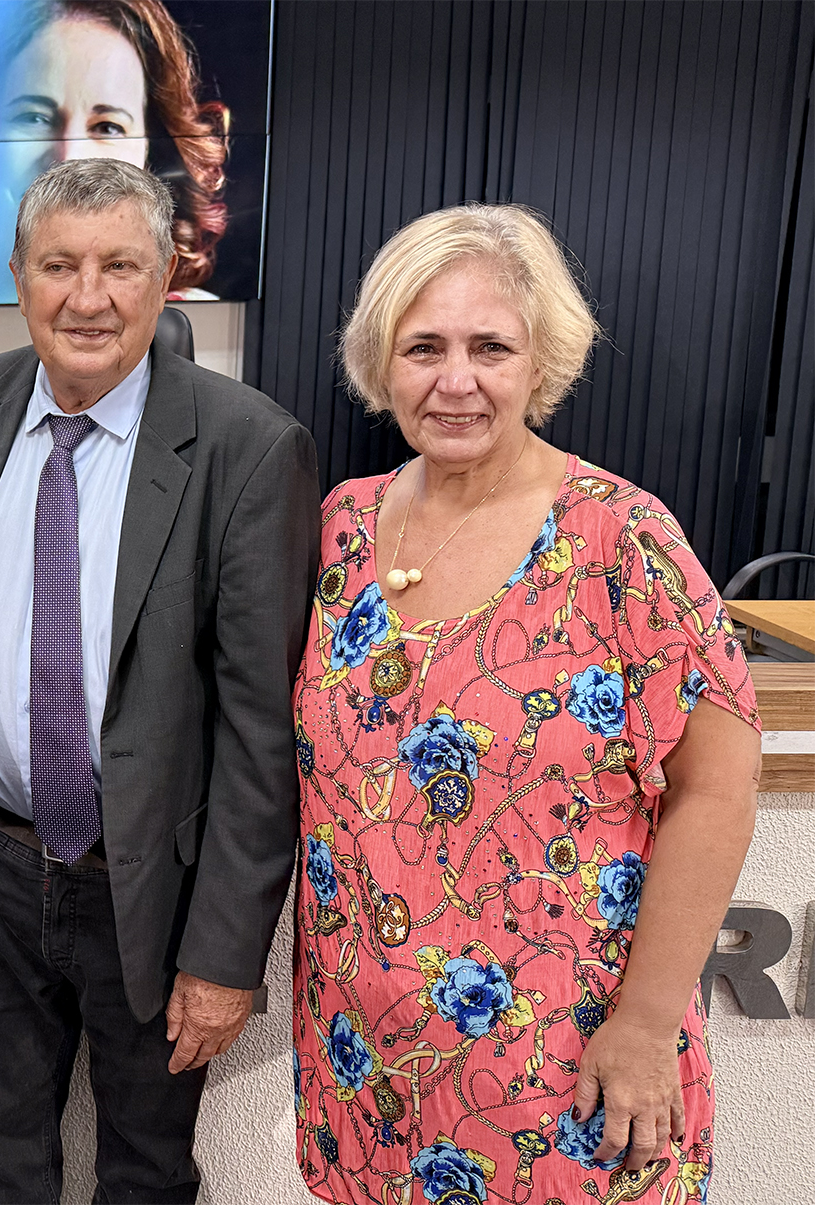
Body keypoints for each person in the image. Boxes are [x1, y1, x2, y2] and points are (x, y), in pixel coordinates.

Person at [292, 204, 761, 1204]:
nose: (454, 379)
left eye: (489, 348)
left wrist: (645, 1023)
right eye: (423, 347)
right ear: (381, 361)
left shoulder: (621, 539)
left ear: (539, 358)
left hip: (566, 1062)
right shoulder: (338, 527)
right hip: (367, 1062)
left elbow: (718, 790)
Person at [0, 156, 318, 1202]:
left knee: (144, 1170)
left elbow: (260, 733)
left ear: (165, 276)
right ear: (18, 277)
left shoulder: (248, 447)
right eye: (59, 265)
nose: (86, 297)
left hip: (152, 887)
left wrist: (224, 954)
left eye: (119, 266)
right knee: (1, 1159)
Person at [0, 0, 232, 303]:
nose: (69, 158)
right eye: (34, 118)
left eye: (108, 127)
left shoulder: (196, 318)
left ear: (150, 158)